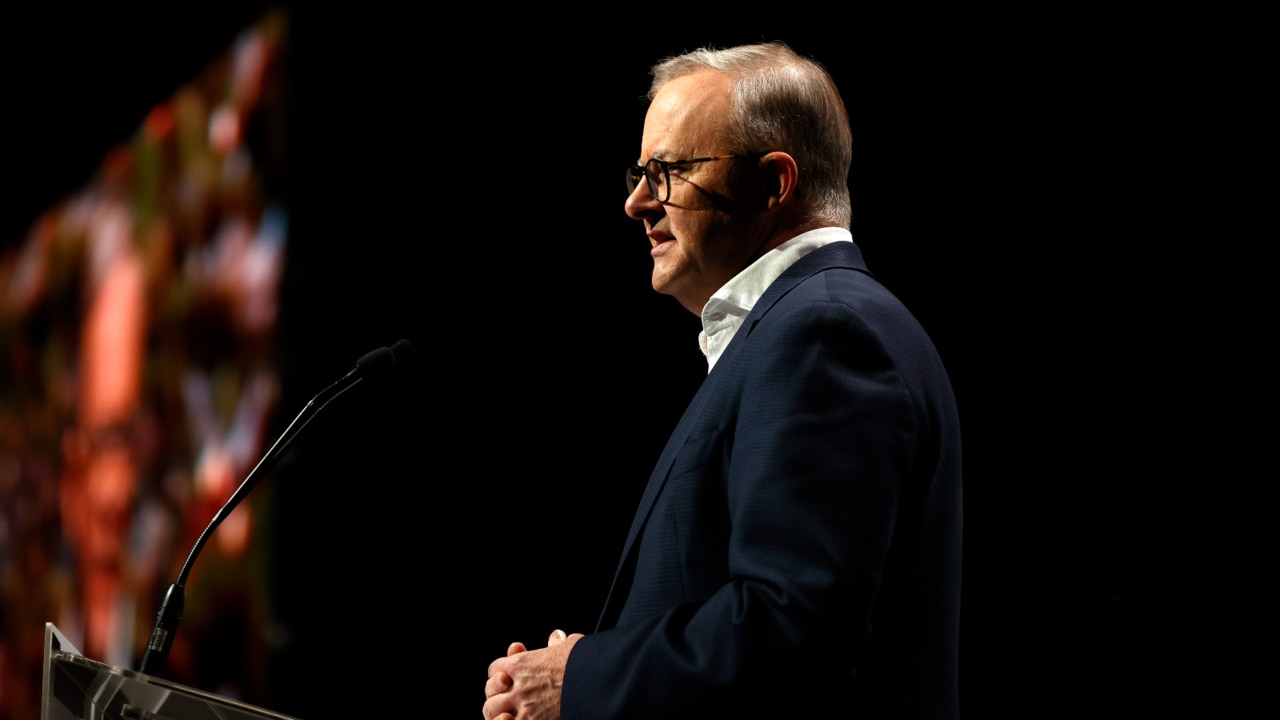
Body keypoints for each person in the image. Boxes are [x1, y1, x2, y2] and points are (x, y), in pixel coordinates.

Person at [483, 41, 962, 719]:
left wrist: (582, 678)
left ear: (774, 183)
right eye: (638, 173)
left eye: (670, 170)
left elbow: (789, 631)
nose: (637, 203)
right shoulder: (798, 330)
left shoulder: (824, 334)